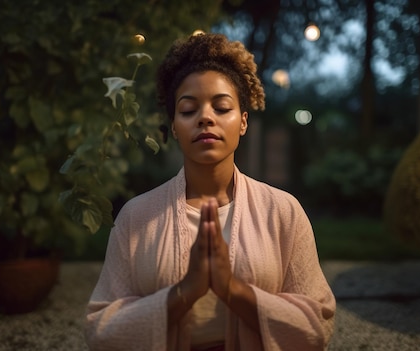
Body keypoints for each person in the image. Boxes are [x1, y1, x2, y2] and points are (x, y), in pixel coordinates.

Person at [84, 32, 335, 351]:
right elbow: (100, 330)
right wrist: (185, 292)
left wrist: (233, 289)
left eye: (221, 107)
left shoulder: (282, 212)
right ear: (174, 126)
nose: (205, 118)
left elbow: (318, 323)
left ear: (243, 122)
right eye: (189, 110)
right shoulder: (137, 217)